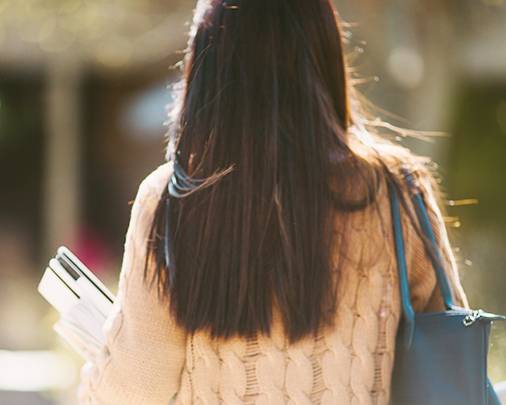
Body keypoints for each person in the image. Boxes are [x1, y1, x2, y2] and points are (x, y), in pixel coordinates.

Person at [78, 0, 468, 404]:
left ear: (208, 71)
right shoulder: (395, 190)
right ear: (324, 58)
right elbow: (454, 355)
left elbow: (133, 390)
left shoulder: (172, 200)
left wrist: (96, 365)